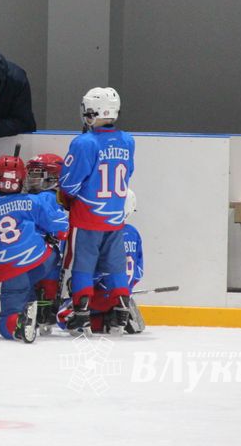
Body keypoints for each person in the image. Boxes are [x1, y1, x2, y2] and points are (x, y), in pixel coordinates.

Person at [57, 87, 136, 336]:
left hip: (86, 218)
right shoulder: (127, 140)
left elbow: (69, 183)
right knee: (115, 266)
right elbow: (128, 173)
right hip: (114, 217)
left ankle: (81, 315)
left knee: (82, 266)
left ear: (91, 111)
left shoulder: (84, 143)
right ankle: (121, 310)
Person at [0, 155, 68, 342]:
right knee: (52, 250)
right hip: (42, 262)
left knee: (3, 324)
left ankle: (18, 322)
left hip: (9, 270)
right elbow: (61, 229)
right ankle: (44, 303)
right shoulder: (33, 201)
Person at [87, 189, 145, 334]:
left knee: (62, 318)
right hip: (124, 294)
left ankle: (103, 321)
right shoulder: (133, 232)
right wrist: (128, 287)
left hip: (101, 296)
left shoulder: (104, 233)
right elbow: (138, 272)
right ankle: (120, 314)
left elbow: (96, 273)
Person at [25, 153, 67, 331]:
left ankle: (43, 307)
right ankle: (45, 308)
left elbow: (58, 227)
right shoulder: (51, 197)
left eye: (37, 174)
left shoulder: (46, 198)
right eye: (31, 174)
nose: (31, 179)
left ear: (53, 177)